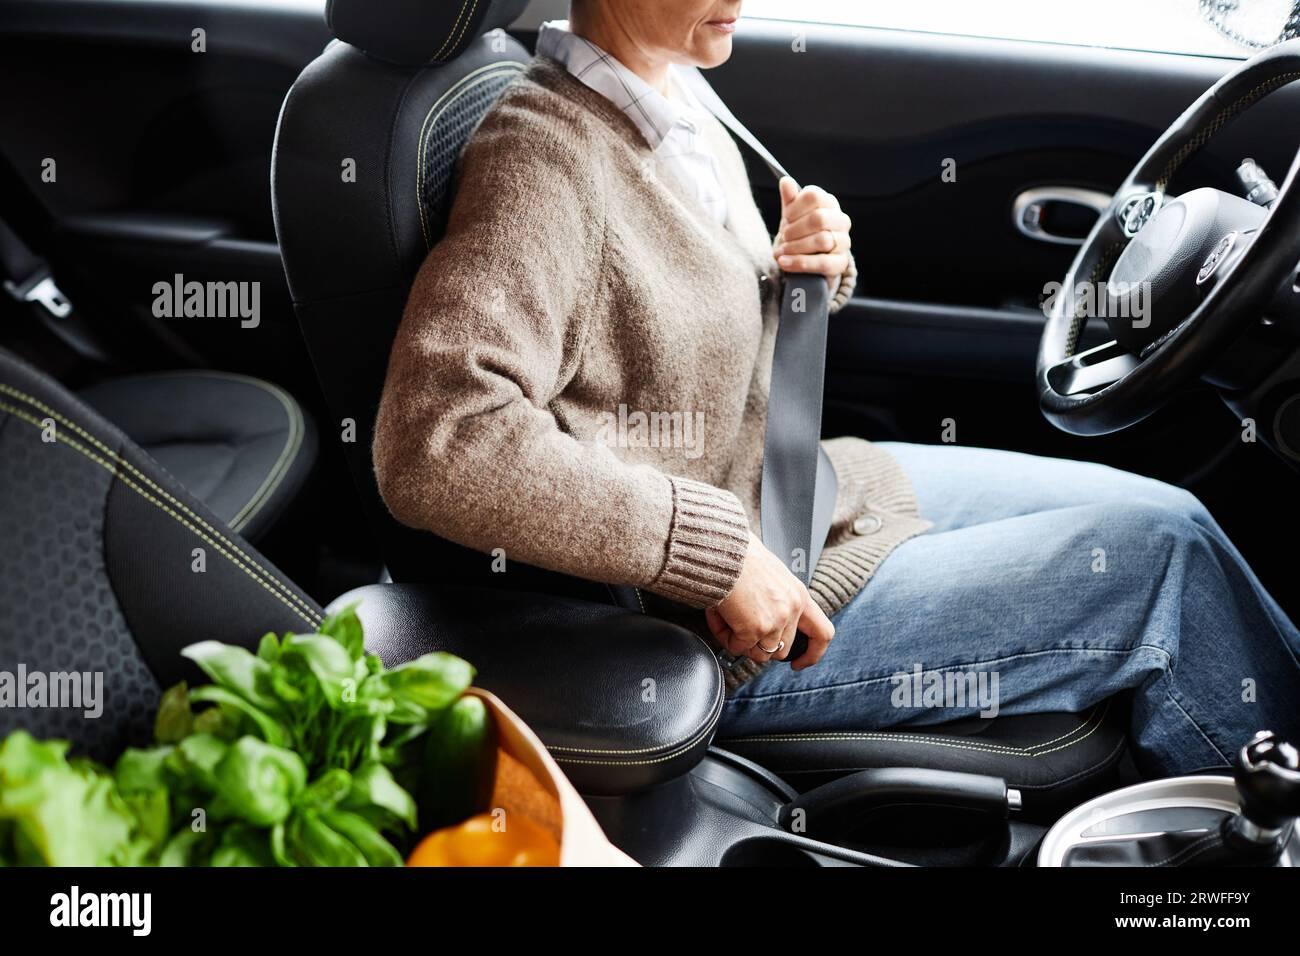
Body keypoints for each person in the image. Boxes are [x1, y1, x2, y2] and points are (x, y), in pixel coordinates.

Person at [373, 0, 1300, 777]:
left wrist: (798, 277)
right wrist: (715, 554)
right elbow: (438, 439)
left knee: (1176, 518)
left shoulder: (671, 94)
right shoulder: (542, 158)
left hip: (812, 491)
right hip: (721, 626)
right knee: (1162, 572)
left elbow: (657, 326)